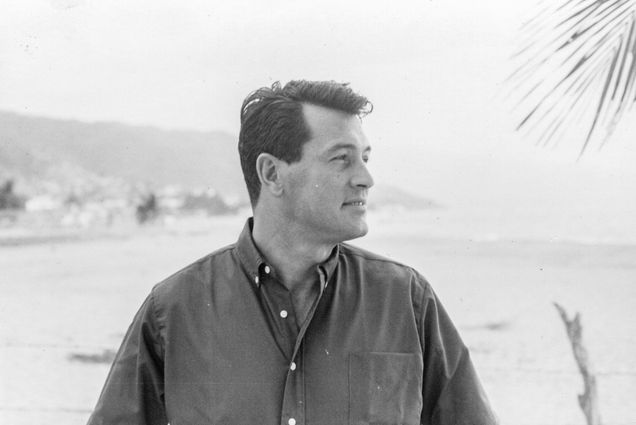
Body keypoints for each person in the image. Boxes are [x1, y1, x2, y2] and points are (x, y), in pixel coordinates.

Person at [88, 80, 498, 425]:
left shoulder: (406, 300)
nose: (366, 179)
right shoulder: (173, 311)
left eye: (366, 159)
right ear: (272, 174)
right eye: (342, 159)